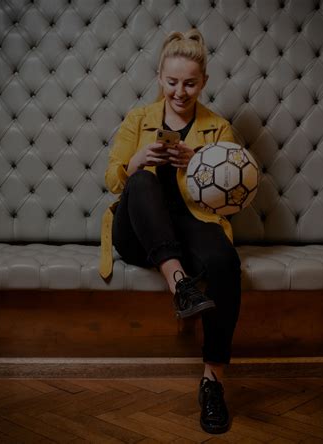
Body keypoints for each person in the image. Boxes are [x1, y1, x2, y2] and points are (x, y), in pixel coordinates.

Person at [99, 29, 241, 434]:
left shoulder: (219, 127)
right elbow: (112, 180)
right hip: (138, 231)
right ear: (160, 77)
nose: (180, 92)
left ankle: (212, 383)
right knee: (142, 180)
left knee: (225, 261)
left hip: (193, 221)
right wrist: (137, 161)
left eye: (190, 83)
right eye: (173, 82)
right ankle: (179, 283)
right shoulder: (138, 119)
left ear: (204, 82)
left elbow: (230, 197)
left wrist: (198, 164)